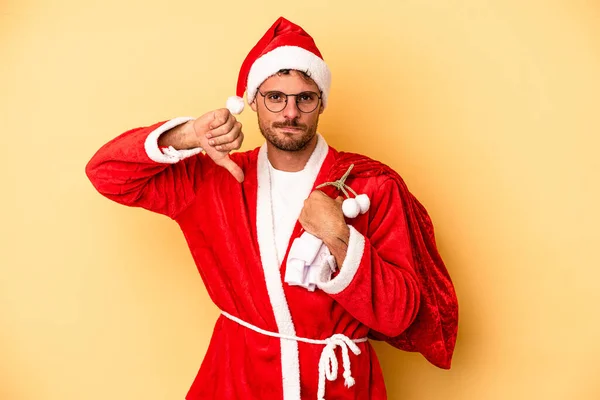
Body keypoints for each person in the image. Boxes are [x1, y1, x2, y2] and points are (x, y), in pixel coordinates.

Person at [86, 16, 458, 400]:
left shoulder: (372, 185)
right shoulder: (213, 179)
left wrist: (338, 235)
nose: (290, 113)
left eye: (305, 98)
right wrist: (188, 135)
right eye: (276, 97)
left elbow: (399, 316)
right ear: (254, 100)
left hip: (338, 385)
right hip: (237, 379)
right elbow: (106, 173)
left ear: (321, 103)